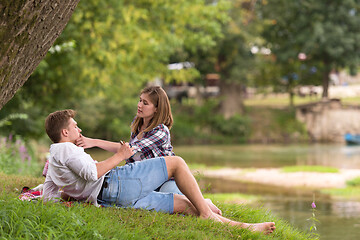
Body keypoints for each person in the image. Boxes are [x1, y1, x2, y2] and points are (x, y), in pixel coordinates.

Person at [43, 109, 276, 234]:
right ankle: (207, 211)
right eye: (75, 126)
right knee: (176, 162)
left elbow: (50, 193)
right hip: (115, 184)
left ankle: (246, 228)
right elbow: (93, 173)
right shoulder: (67, 149)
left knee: (185, 205)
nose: (79, 128)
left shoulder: (54, 156)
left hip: (111, 197)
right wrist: (120, 156)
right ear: (65, 133)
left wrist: (67, 196)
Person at [76, 86, 181, 194]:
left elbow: (129, 150)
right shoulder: (138, 123)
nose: (139, 105)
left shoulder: (161, 131)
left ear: (157, 109)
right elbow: (129, 156)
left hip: (165, 180)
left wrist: (94, 142)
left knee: (172, 199)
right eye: (140, 100)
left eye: (145, 103)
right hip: (146, 180)